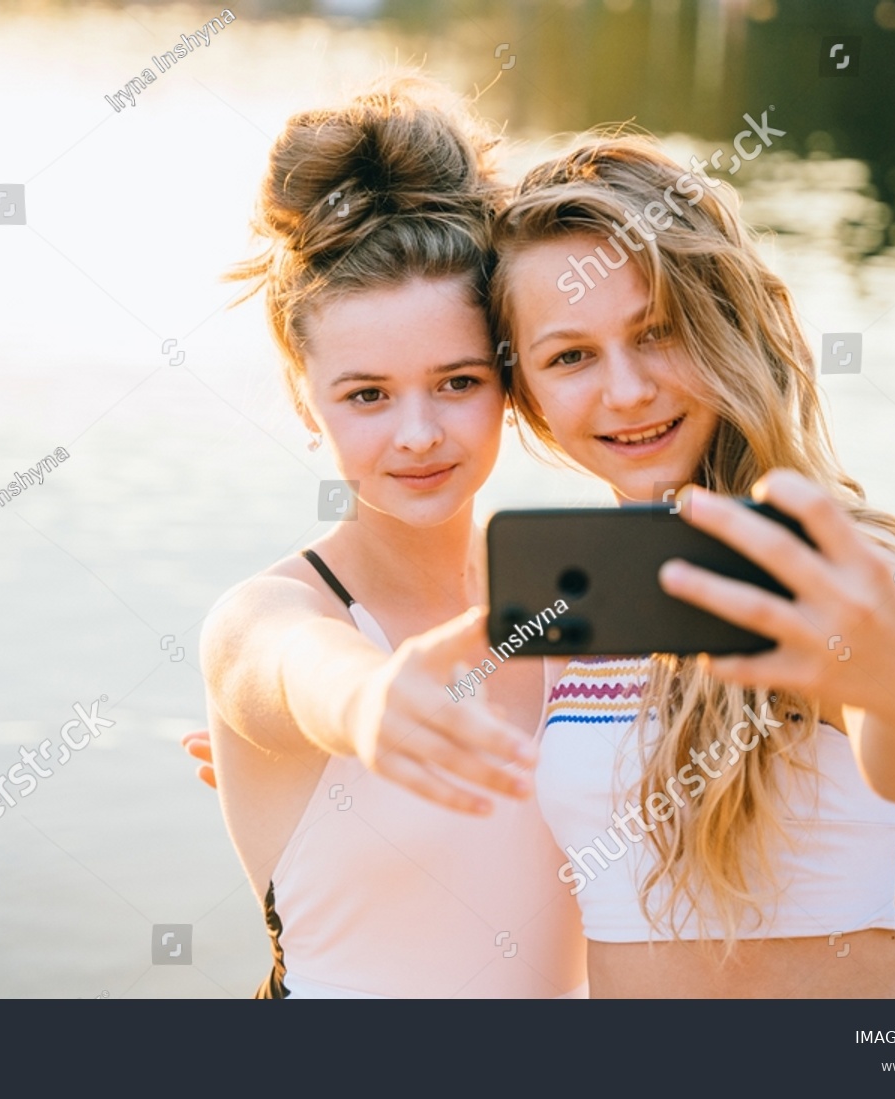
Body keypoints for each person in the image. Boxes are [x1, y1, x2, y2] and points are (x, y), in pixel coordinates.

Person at [487, 132, 895, 996]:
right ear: (526, 394)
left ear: (726, 324)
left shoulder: (843, 559)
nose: (629, 389)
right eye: (571, 356)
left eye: (660, 332)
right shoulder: (562, 596)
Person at [199, 75, 586, 998]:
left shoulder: (577, 582)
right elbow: (297, 668)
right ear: (305, 400)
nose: (418, 434)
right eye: (367, 394)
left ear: (508, 376)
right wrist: (369, 703)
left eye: (456, 382)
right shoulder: (266, 615)